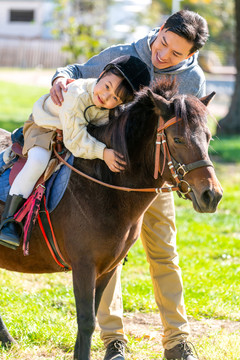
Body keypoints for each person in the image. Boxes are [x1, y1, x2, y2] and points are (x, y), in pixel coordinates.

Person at [49, 9, 209, 360]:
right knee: (108, 257)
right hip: (113, 178)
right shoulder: (127, 53)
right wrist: (61, 78)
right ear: (162, 29)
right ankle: (113, 341)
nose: (163, 54)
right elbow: (77, 72)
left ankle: (178, 341)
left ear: (190, 55)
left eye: (176, 53)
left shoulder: (193, 80)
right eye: (164, 42)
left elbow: (191, 131)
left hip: (158, 181)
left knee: (164, 253)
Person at [0, 55, 151, 249]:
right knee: (38, 161)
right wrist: (103, 152)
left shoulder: (108, 106)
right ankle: (9, 221)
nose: (106, 97)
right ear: (102, 74)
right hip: (46, 126)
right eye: (107, 87)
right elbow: (74, 140)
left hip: (72, 128)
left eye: (115, 98)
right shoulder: (76, 95)